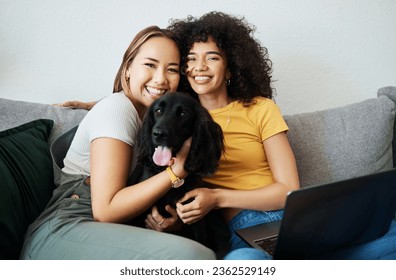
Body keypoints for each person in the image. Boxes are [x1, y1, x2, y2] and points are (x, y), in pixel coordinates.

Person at [20, 26, 216, 260]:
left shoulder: (148, 119)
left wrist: (171, 225)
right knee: (194, 257)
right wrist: (176, 172)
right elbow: (107, 211)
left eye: (171, 70)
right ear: (128, 69)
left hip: (102, 232)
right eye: (150, 65)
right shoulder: (118, 109)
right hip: (66, 229)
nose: (161, 78)